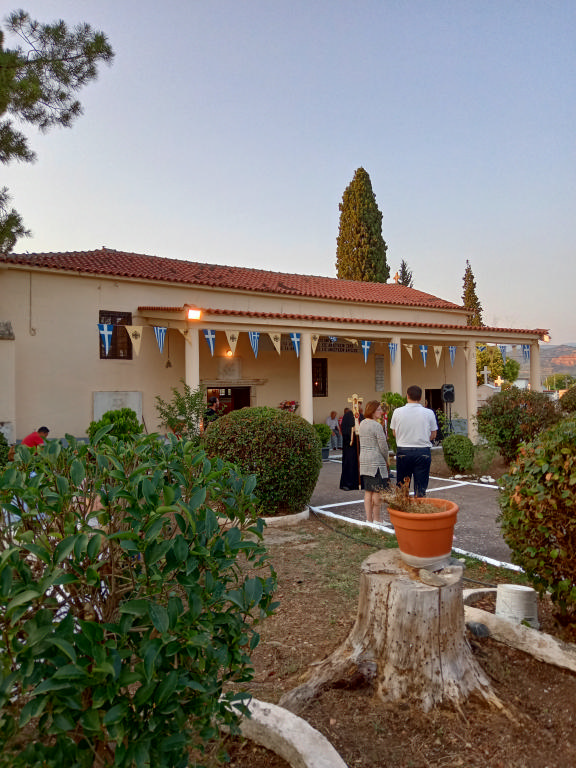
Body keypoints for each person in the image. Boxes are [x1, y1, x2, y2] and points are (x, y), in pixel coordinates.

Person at [390, 385, 437, 497]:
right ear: (420, 397)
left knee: (402, 487)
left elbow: (394, 433)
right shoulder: (429, 413)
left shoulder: (397, 412)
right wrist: (422, 438)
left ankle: (402, 505)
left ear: (407, 396)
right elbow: (434, 434)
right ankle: (419, 504)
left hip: (403, 451)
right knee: (421, 488)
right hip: (422, 451)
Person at [358, 401, 389, 523]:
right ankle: (377, 519)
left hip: (364, 460)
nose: (381, 412)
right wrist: (386, 458)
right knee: (377, 491)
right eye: (379, 409)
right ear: (372, 411)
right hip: (376, 461)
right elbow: (383, 446)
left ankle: (369, 520)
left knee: (368, 491)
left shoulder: (362, 423)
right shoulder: (376, 426)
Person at [339, 406, 363, 491]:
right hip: (350, 445)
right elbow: (344, 429)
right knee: (349, 463)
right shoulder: (347, 416)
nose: (358, 406)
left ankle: (360, 483)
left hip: (359, 445)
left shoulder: (361, 416)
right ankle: (347, 484)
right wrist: (352, 430)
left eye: (359, 404)